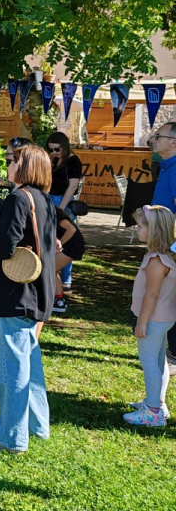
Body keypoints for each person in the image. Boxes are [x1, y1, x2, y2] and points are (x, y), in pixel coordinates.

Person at [0, 141, 56, 453]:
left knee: (10, 368)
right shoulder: (43, 199)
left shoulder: (19, 198)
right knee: (28, 361)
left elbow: (5, 247)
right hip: (36, 291)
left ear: (25, 166)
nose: (7, 165)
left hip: (14, 293)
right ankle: (36, 425)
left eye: (11, 160)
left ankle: (9, 436)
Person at [123, 205, 176, 426]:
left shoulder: (156, 261)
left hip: (154, 320)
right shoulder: (167, 256)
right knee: (159, 360)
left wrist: (142, 322)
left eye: (140, 226)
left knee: (149, 362)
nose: (136, 229)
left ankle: (153, 412)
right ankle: (158, 403)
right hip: (165, 318)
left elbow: (151, 295)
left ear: (154, 230)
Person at [150, 121, 176, 375]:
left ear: (174, 142)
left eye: (158, 136)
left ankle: (175, 355)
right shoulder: (167, 167)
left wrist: (172, 249)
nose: (153, 140)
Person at [47, 131, 83, 289]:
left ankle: (66, 279)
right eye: (51, 149)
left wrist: (62, 206)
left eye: (57, 149)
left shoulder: (73, 161)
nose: (54, 152)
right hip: (50, 198)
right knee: (52, 239)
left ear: (65, 146)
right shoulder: (54, 159)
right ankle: (54, 277)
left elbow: (72, 186)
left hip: (63, 200)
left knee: (66, 241)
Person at [52, 207, 85, 314]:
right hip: (68, 245)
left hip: (72, 246)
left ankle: (59, 301)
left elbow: (72, 229)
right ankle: (58, 298)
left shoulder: (57, 216)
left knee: (51, 270)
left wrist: (59, 244)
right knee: (53, 270)